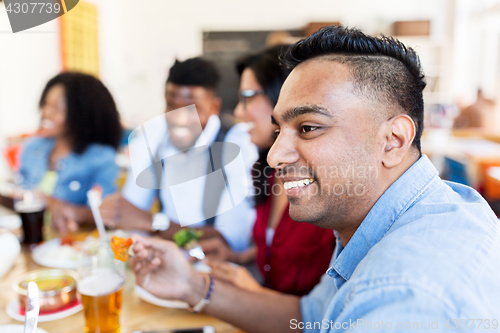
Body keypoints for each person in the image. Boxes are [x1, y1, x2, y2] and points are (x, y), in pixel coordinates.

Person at [129, 26, 500, 333]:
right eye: (278, 130)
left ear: (393, 140)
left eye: (308, 128)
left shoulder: (403, 297)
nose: (275, 156)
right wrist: (191, 285)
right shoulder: (402, 214)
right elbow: (309, 318)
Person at [201, 45, 335, 296]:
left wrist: (256, 296)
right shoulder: (266, 171)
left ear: (285, 93)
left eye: (248, 97)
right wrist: (239, 258)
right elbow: (278, 247)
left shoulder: (329, 185)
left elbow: (326, 309)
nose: (239, 112)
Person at [100, 57, 258, 252]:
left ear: (214, 108)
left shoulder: (238, 143)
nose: (180, 119)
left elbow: (231, 240)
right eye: (171, 105)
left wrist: (154, 223)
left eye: (193, 109)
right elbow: (130, 213)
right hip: (164, 255)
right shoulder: (153, 134)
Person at [18, 72, 122, 235]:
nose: (46, 112)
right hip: (30, 239)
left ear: (80, 114)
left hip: (72, 244)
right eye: (46, 104)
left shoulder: (101, 158)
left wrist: (73, 211)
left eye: (56, 108)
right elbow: (19, 193)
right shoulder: (32, 148)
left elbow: (110, 214)